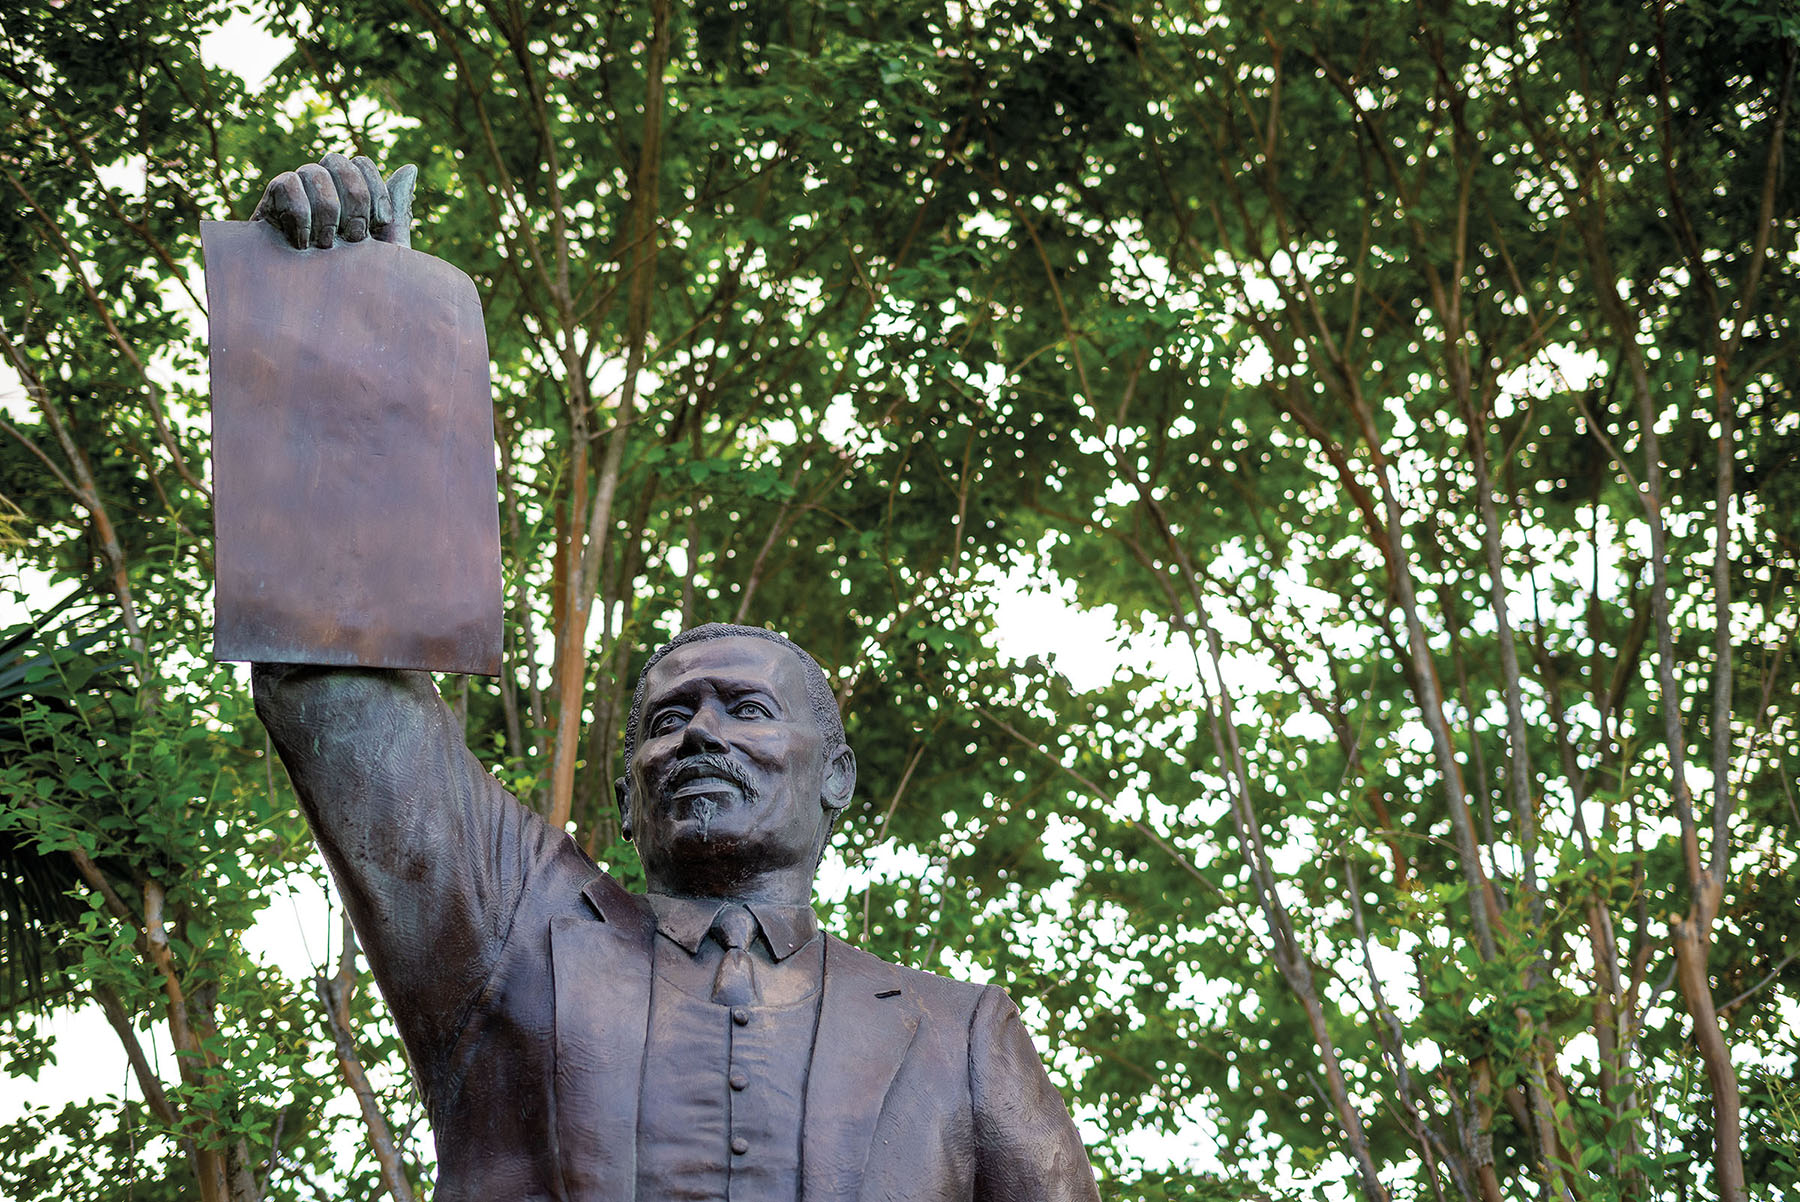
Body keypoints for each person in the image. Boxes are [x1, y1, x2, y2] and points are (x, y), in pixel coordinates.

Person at [248, 155, 1102, 1202]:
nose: (698, 734)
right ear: (626, 794)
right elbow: (340, 685)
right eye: (665, 719)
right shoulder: (516, 935)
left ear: (834, 776)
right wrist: (345, 340)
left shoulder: (961, 1033)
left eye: (744, 709)